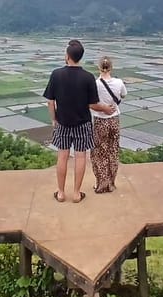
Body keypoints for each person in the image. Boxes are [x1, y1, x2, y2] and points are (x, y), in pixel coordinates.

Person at [43, 40, 114, 203]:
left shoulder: (56, 74)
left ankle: (60, 193)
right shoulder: (88, 77)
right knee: (80, 157)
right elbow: (93, 104)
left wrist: (54, 119)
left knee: (62, 157)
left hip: (62, 122)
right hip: (82, 123)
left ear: (67, 56)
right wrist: (106, 109)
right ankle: (76, 193)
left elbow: (50, 101)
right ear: (80, 57)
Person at [91, 56, 127, 194]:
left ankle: (101, 183)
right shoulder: (119, 82)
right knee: (113, 151)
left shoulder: (95, 83)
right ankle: (111, 183)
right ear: (111, 68)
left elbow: (92, 101)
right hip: (115, 119)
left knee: (100, 152)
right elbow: (123, 95)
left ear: (99, 68)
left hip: (100, 120)